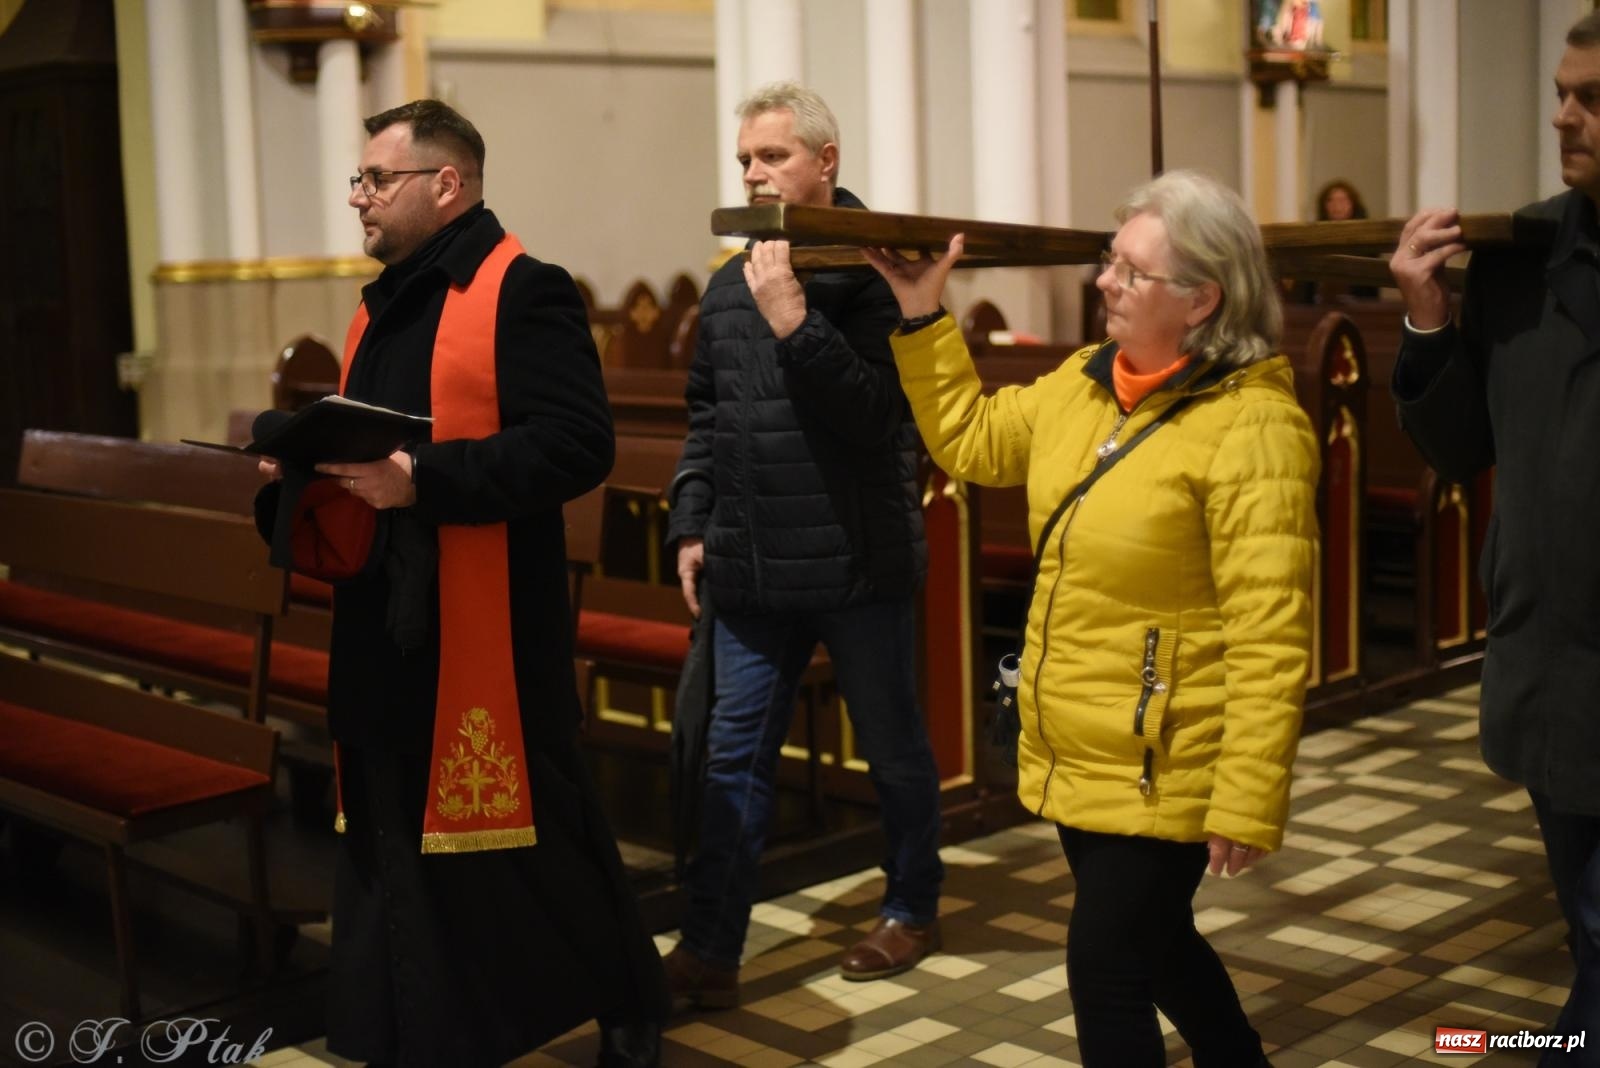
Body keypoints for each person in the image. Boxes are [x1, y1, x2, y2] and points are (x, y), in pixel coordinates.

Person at [860, 169, 1318, 1068]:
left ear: (1201, 299)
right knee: (1158, 944)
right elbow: (974, 441)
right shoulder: (1084, 381)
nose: (1106, 280)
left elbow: (1270, 633)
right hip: (1082, 737)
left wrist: (1248, 794)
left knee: (1105, 967)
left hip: (1168, 753)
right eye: (1112, 261)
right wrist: (920, 316)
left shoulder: (1254, 426)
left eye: (1132, 271)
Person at [255, 99, 666, 1067]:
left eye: (377, 179)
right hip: (384, 611)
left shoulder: (522, 289)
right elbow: (374, 442)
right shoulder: (382, 302)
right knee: (391, 832)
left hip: (488, 624)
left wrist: (420, 480)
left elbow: (577, 445)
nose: (358, 196)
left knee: (545, 841)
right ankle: (417, 1033)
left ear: (447, 184)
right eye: (358, 179)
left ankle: (629, 999)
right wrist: (305, 467)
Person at [662, 81, 944, 1007]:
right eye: (745, 158)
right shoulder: (728, 283)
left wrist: (794, 317)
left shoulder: (879, 273)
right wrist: (692, 523)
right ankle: (710, 949)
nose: (753, 172)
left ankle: (911, 905)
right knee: (733, 760)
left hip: (856, 562)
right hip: (750, 565)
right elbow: (707, 417)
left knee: (893, 748)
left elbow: (877, 418)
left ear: (826, 161)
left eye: (772, 156)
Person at [1388, 13, 1600, 1064]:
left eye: (1591, 99)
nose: (1562, 116)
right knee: (1587, 919)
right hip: (1552, 657)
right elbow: (1463, 444)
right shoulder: (1521, 258)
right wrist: (1427, 316)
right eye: (1560, 93)